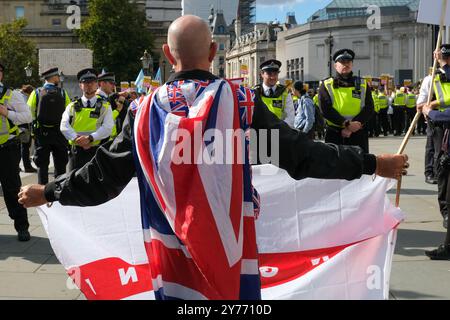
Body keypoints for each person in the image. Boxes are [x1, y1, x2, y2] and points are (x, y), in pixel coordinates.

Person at [18, 16, 408, 299]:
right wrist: (372, 165)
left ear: (167, 54)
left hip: (171, 255)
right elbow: (300, 156)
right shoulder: (241, 106)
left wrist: (50, 191)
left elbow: (105, 175)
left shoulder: (143, 114)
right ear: (214, 52)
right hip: (233, 252)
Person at [0, 62, 33, 241]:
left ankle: (22, 227)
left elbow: (27, 116)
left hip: (7, 149)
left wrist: (7, 113)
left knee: (12, 189)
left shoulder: (11, 95)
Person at [319, 49, 375, 153]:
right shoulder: (326, 84)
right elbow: (325, 109)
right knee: (335, 167)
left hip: (358, 132)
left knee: (359, 166)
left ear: (352, 64)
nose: (346, 64)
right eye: (342, 62)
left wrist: (352, 126)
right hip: (335, 134)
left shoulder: (362, 83)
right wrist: (346, 124)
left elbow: (369, 108)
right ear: (335, 66)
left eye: (348, 62)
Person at [417, 45, 450, 220]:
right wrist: (429, 108)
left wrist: (434, 106)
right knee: (442, 164)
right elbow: (421, 105)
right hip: (440, 127)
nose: (447, 60)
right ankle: (445, 212)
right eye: (445, 57)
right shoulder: (431, 80)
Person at [60, 68, 114, 170]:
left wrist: (90, 138)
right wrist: (77, 139)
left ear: (97, 85)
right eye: (85, 82)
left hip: (96, 152)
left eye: (92, 82)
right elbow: (64, 126)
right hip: (76, 151)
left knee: (96, 184)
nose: (89, 85)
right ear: (80, 85)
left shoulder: (105, 106)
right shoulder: (72, 106)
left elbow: (108, 127)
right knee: (73, 183)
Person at [27, 67, 71, 184]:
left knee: (42, 165)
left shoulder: (36, 92)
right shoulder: (62, 92)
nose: (58, 78)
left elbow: (29, 111)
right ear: (53, 77)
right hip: (59, 133)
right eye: (57, 76)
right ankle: (59, 189)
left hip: (42, 133)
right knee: (60, 164)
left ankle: (42, 191)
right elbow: (69, 111)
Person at [253, 59, 295, 127]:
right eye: (269, 74)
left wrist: (278, 129)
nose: (272, 77)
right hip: (259, 133)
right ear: (262, 74)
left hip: (278, 132)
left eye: (275, 74)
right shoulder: (254, 92)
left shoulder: (285, 93)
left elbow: (290, 117)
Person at [96, 71, 126, 140]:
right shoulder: (98, 98)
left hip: (109, 138)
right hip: (103, 140)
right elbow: (103, 119)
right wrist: (118, 110)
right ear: (102, 83)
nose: (113, 86)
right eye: (111, 83)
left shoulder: (105, 97)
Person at [18, 84, 37, 173]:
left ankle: (16, 166)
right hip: (24, 124)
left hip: (18, 124)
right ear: (29, 93)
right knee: (25, 146)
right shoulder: (25, 99)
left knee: (19, 147)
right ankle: (27, 166)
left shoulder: (18, 96)